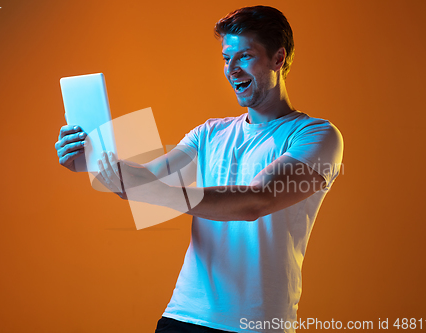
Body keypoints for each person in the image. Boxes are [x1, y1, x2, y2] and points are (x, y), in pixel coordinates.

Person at [55, 5, 343, 333]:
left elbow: (256, 201)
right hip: (183, 317)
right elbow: (144, 182)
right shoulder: (209, 133)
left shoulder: (317, 135)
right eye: (226, 58)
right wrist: (91, 160)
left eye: (245, 56)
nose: (232, 69)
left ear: (278, 59)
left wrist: (156, 191)